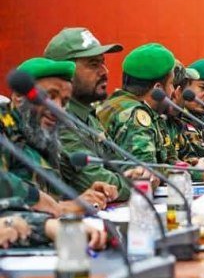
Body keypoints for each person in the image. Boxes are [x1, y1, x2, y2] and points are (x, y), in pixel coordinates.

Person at [44, 27, 149, 202]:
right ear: (64, 73)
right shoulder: (56, 119)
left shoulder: (88, 115)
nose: (104, 71)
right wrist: (139, 184)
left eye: (102, 62)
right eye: (93, 64)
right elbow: (99, 182)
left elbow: (121, 164)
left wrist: (141, 174)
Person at [1, 58, 118, 214]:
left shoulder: (42, 136)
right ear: (18, 96)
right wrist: (59, 207)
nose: (58, 109)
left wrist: (84, 198)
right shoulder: (4, 126)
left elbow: (52, 200)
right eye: (50, 97)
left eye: (64, 102)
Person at [96, 43, 178, 176]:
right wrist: (197, 173)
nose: (173, 91)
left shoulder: (118, 103)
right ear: (158, 89)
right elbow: (144, 172)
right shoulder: (135, 114)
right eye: (171, 84)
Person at [163, 60, 204, 182]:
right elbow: (148, 169)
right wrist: (197, 173)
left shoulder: (174, 120)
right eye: (202, 87)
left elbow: (186, 158)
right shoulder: (149, 119)